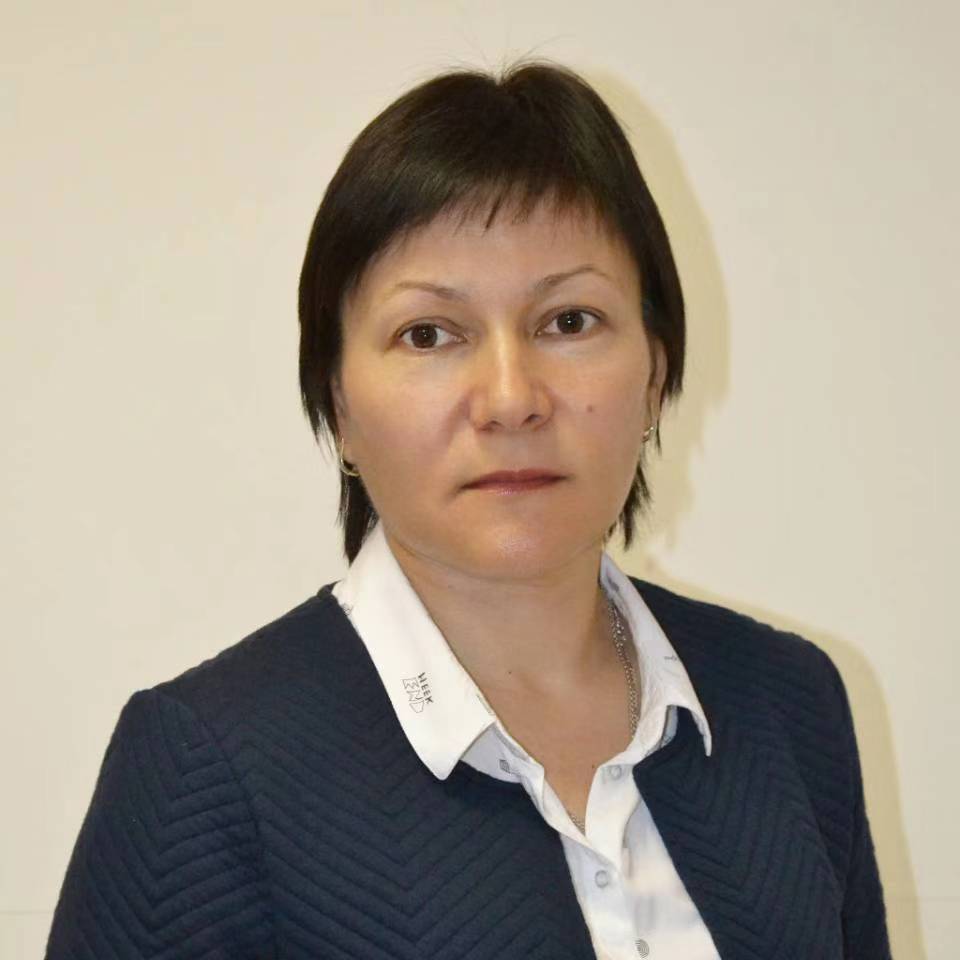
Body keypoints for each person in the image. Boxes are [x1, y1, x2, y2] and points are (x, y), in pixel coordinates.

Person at [46, 60, 892, 960]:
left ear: (655, 371)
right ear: (338, 402)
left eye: (569, 321)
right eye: (429, 334)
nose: (511, 399)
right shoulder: (205, 768)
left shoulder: (787, 703)